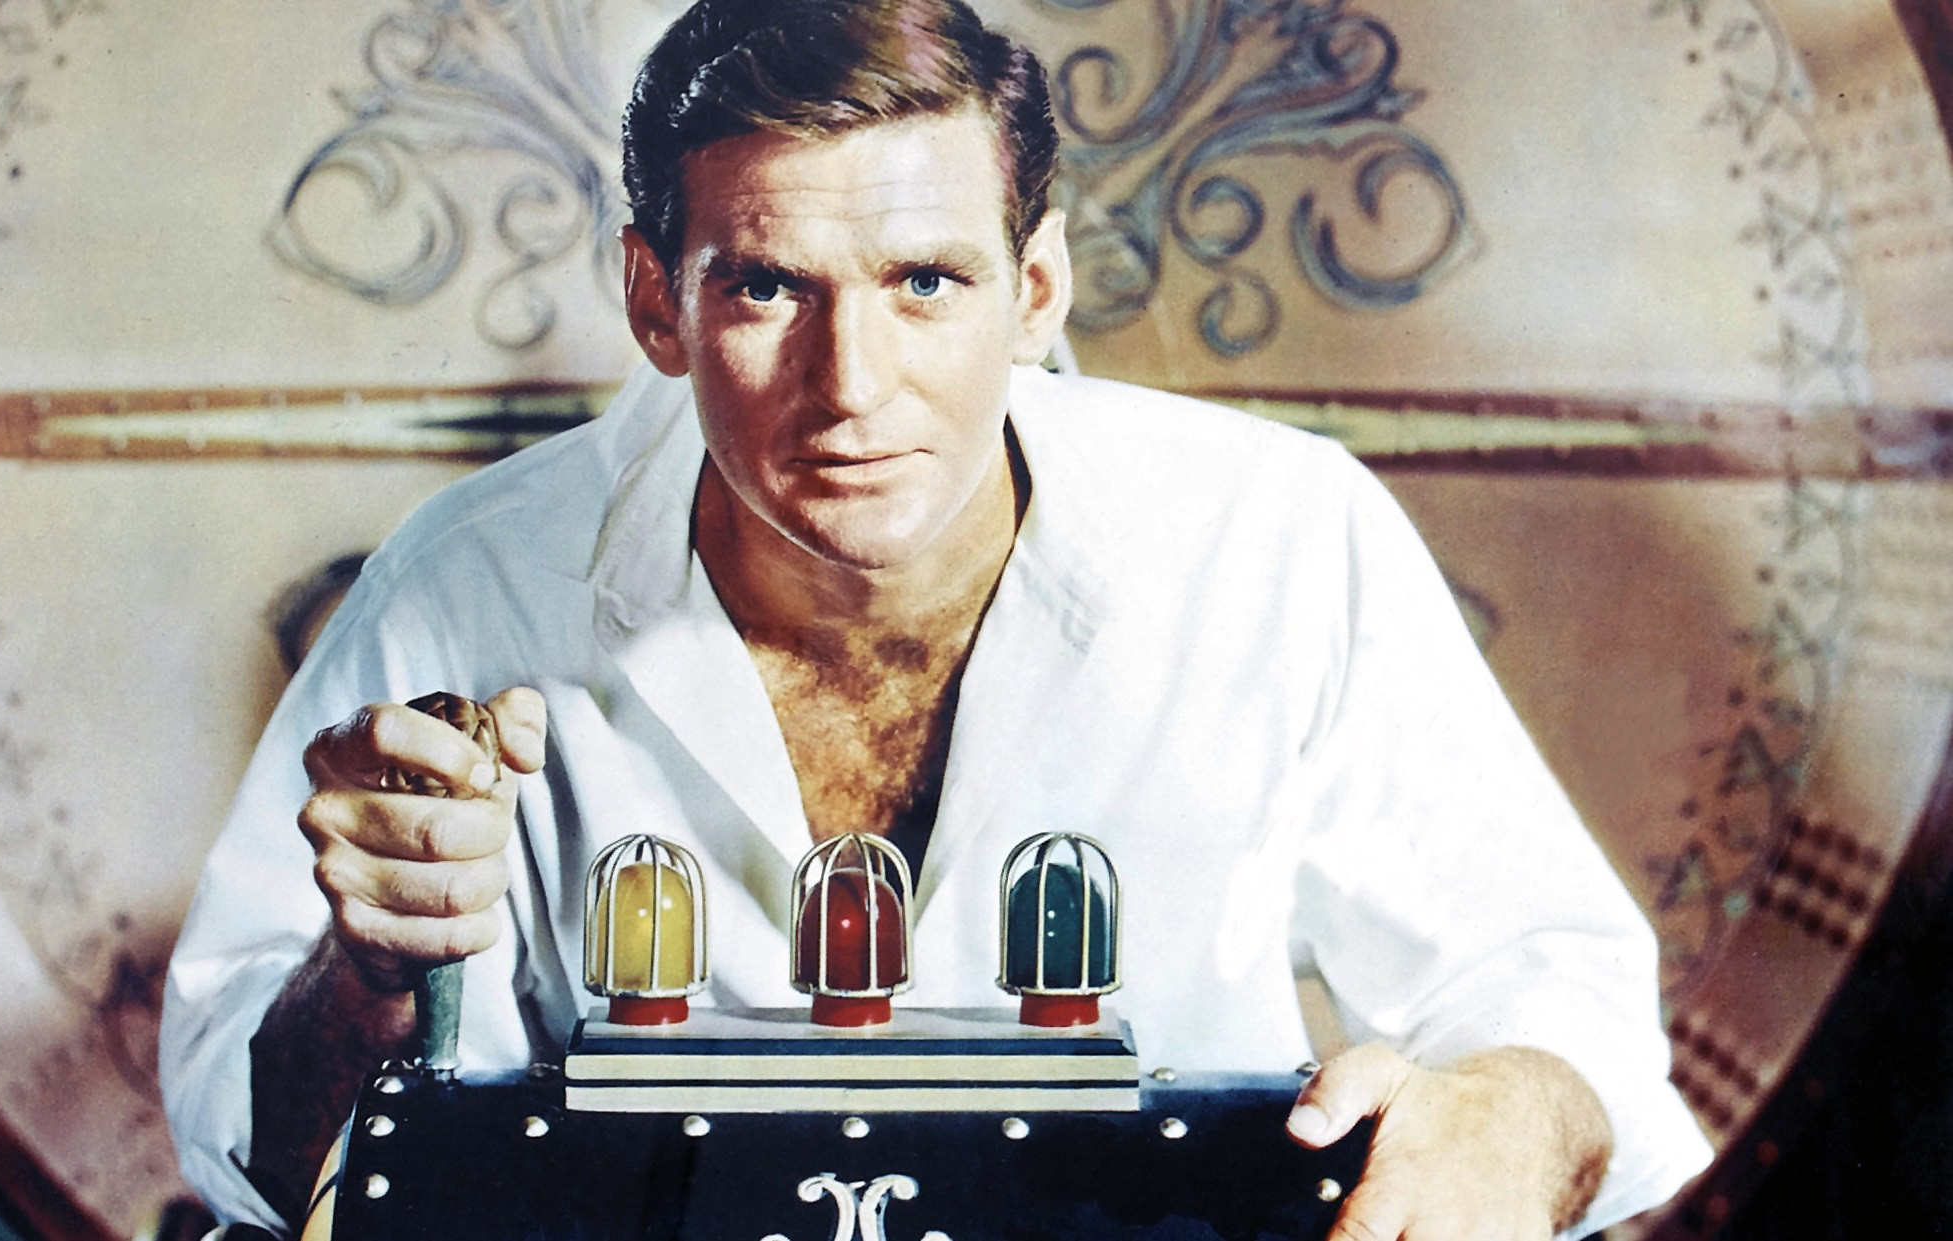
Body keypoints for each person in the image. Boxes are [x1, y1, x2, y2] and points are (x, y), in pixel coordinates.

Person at [160, 0, 1712, 1235]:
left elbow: (1552, 989)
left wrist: (1510, 1118)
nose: (853, 387)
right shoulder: (469, 581)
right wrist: (368, 973)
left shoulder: (1277, 541)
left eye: (924, 283)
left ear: (1036, 292)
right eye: (768, 287)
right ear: (653, 300)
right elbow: (257, 1154)